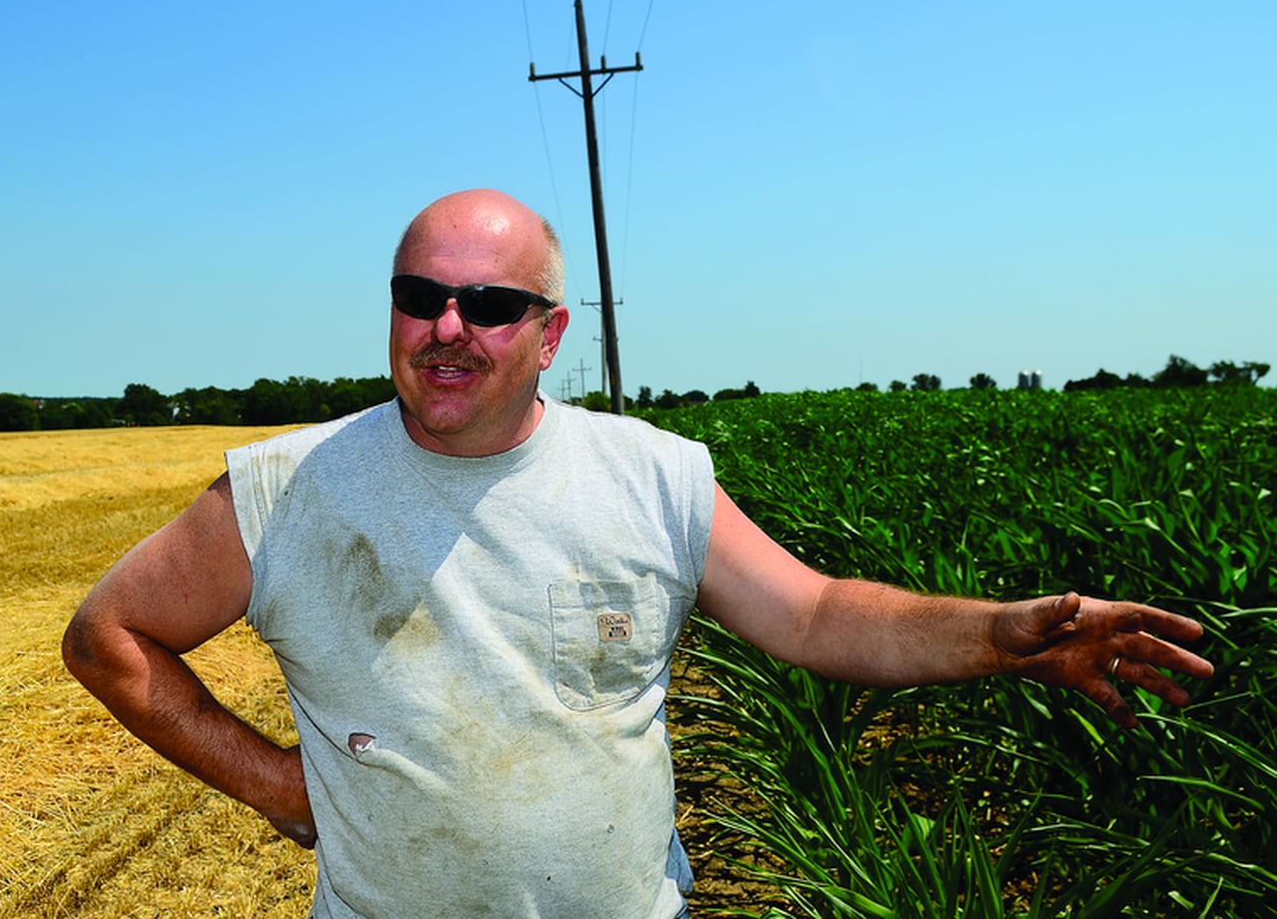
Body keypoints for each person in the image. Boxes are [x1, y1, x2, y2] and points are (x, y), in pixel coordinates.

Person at [63, 188, 1213, 919]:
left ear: (552, 334)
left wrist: (1000, 637)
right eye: (422, 297)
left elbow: (815, 617)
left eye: (489, 303)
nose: (448, 328)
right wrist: (275, 784)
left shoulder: (653, 475)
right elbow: (108, 636)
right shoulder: (288, 488)